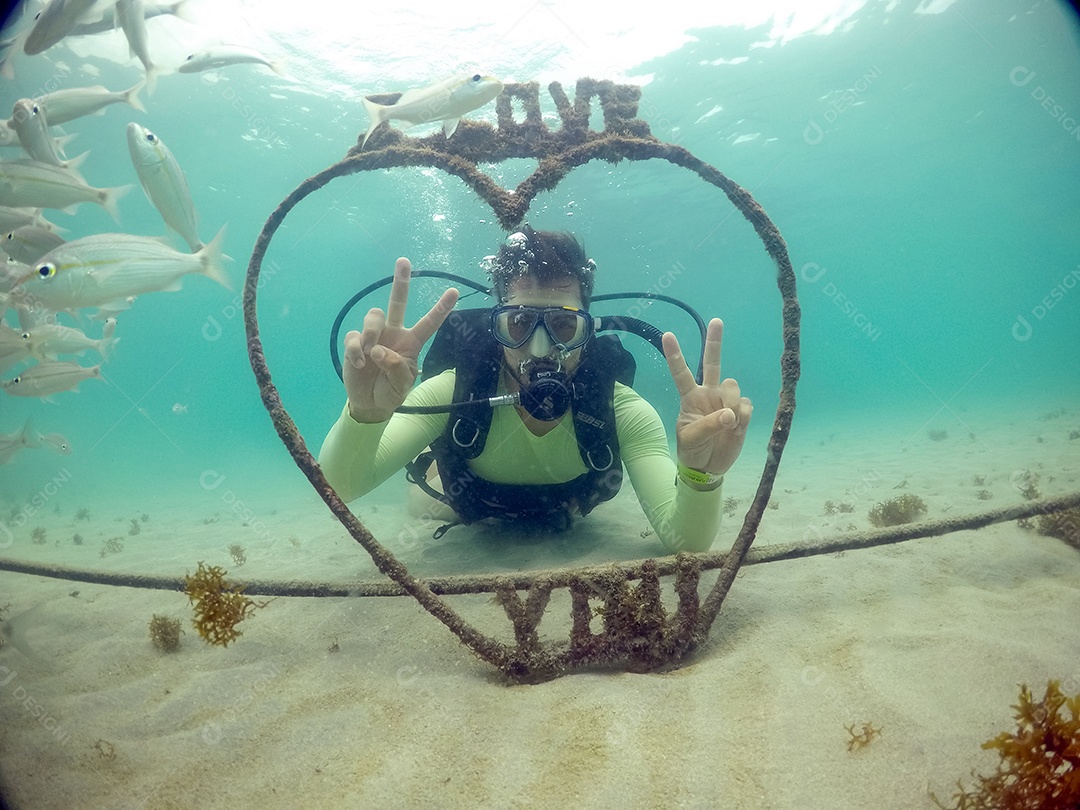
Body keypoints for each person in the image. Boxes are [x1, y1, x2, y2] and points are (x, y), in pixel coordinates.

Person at [318, 226, 752, 553]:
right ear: (497, 325)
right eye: (521, 323)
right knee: (424, 502)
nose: (541, 349)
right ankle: (429, 473)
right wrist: (365, 414)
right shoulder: (451, 391)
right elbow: (342, 488)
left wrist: (701, 475)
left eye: (563, 324)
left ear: (588, 329)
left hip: (565, 510)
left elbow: (687, 545)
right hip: (469, 507)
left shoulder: (623, 410)